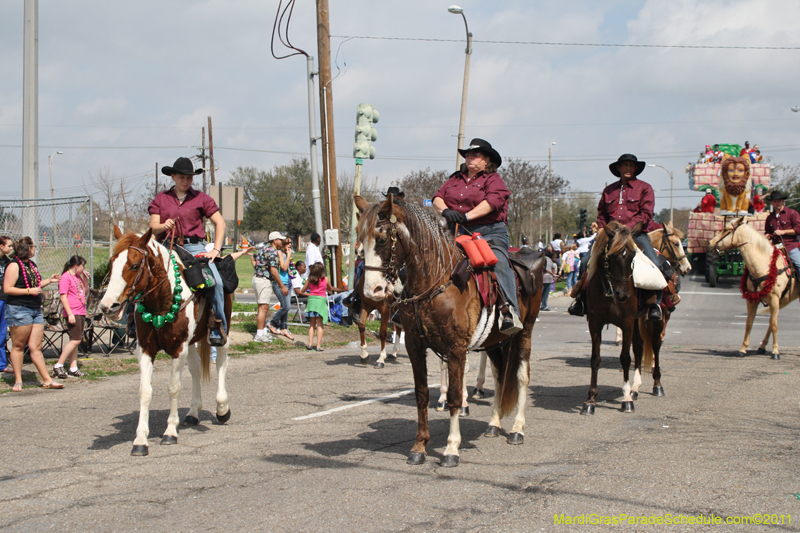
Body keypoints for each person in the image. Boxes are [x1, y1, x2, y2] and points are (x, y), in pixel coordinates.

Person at [432, 138, 521, 334]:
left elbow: (492, 202)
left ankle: (510, 312)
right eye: (467, 155)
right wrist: (446, 211)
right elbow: (437, 197)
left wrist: (465, 216)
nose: (469, 158)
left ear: (487, 160)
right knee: (427, 257)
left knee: (497, 261)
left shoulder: (493, 180)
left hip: (488, 232)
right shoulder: (454, 179)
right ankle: (408, 307)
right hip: (454, 232)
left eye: (475, 155)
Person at [570, 154, 663, 321]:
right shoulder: (609, 190)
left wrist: (627, 229)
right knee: (585, 261)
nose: (628, 168)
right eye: (624, 165)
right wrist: (600, 228)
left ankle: (655, 304)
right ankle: (581, 300)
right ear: (618, 168)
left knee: (655, 263)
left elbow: (646, 214)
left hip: (635, 234)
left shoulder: (645, 188)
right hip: (610, 235)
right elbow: (602, 213)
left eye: (631, 165)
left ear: (635, 169)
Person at [149, 157, 227, 346]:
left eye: (189, 178)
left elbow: (220, 222)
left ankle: (217, 325)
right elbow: (152, 227)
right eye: (182, 177)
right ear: (173, 176)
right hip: (165, 245)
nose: (186, 181)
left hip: (194, 247)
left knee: (215, 282)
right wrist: (162, 226)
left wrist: (215, 249)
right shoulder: (161, 198)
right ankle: (134, 323)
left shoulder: (201, 198)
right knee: (140, 274)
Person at [3, 237, 63, 391]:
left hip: (35, 309)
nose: (35, 249)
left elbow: (34, 285)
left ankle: (47, 380)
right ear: (28, 248)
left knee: (36, 346)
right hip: (19, 309)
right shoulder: (14, 265)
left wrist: (49, 280)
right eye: (33, 246)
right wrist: (29, 291)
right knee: (18, 346)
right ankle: (18, 380)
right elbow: (8, 289)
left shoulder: (31, 264)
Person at [52, 256, 88, 379]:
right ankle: (59, 364)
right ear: (75, 266)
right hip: (73, 312)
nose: (83, 268)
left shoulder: (78, 277)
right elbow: (63, 297)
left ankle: (73, 367)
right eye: (82, 266)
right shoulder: (65, 278)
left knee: (76, 339)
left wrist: (85, 279)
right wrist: (70, 313)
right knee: (75, 340)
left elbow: (85, 292)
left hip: (81, 310)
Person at [764, 190, 800, 277]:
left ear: (783, 201)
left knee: (799, 265)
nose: (777, 203)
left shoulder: (792, 213)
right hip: (775, 248)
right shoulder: (769, 218)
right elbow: (768, 231)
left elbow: (798, 229)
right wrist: (768, 235)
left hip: (790, 246)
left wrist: (783, 232)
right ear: (771, 203)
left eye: (779, 201)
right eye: (775, 201)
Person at [267, 232, 294, 340]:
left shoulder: (283, 254)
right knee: (286, 306)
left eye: (291, 243)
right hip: (280, 284)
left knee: (285, 307)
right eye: (287, 243)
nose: (290, 245)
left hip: (287, 282)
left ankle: (283, 327)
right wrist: (288, 256)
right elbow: (283, 267)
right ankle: (272, 322)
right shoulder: (279, 253)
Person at [250, 241, 277, 343]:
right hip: (263, 280)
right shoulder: (272, 251)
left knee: (263, 307)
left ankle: (263, 331)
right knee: (263, 308)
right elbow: (274, 271)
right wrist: (282, 285)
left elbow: (252, 257)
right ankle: (259, 334)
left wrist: (257, 269)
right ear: (275, 240)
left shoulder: (262, 249)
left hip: (258, 278)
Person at [302, 263, 330, 351]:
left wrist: (311, 293)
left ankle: (310, 344)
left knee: (312, 324)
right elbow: (330, 289)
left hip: (311, 301)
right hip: (321, 301)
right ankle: (318, 345)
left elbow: (302, 290)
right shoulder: (326, 279)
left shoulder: (309, 280)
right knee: (320, 324)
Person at [0, 236, 12, 374]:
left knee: (2, 333)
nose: (10, 249)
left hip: (4, 299)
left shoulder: (7, 262)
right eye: (8, 246)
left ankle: (2, 364)